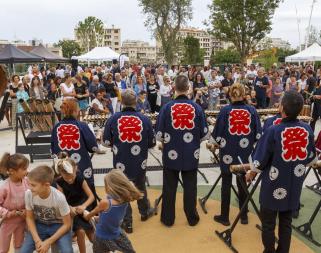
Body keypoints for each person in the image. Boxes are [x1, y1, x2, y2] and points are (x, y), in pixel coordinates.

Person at [245, 91, 317, 253]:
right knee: (286, 224)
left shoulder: (273, 130)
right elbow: (310, 159)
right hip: (293, 185)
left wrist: (250, 173)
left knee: (269, 223)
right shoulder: (307, 129)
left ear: (281, 107)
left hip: (273, 184)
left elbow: (259, 161)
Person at [15, 165, 77, 253]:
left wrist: (47, 242)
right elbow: (29, 218)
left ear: (46, 185)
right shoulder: (29, 194)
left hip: (59, 225)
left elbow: (67, 224)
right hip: (40, 225)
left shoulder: (59, 198)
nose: (29, 188)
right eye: (29, 184)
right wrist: (38, 240)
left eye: (33, 185)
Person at [156, 75, 209, 227]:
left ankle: (168, 219)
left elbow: (159, 136)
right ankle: (192, 218)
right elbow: (204, 135)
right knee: (190, 186)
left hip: (170, 153)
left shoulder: (166, 108)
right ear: (188, 88)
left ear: (174, 87)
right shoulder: (196, 108)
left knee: (169, 186)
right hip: (191, 152)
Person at [102, 89, 156, 233]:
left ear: (121, 102)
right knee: (140, 185)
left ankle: (127, 222)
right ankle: (144, 212)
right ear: (135, 102)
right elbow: (151, 143)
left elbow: (106, 142)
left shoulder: (113, 118)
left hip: (121, 159)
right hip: (139, 160)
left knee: (122, 189)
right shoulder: (144, 119)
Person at [78, 170, 140, 253]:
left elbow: (88, 216)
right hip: (114, 233)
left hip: (101, 237)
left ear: (110, 187)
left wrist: (83, 210)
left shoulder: (105, 203)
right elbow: (111, 216)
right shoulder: (125, 200)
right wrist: (99, 218)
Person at [210, 83, 262, 226]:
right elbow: (258, 135)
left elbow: (217, 136)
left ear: (230, 95)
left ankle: (225, 216)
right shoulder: (251, 110)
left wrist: (214, 144)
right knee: (242, 183)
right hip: (245, 152)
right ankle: (243, 215)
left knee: (226, 183)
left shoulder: (226, 110)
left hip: (228, 152)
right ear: (244, 95)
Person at [54, 152, 95, 253]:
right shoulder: (60, 183)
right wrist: (69, 208)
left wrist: (83, 207)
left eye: (72, 177)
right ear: (61, 175)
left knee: (94, 237)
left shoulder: (80, 180)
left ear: (75, 170)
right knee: (81, 232)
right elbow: (62, 200)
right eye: (67, 178)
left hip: (83, 208)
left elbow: (91, 197)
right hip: (70, 211)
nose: (70, 180)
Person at [51, 99, 101, 200]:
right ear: (74, 111)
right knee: (87, 195)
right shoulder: (82, 126)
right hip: (81, 167)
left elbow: (53, 151)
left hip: (63, 169)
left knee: (65, 198)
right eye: (78, 108)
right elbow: (93, 147)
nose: (79, 110)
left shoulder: (56, 127)